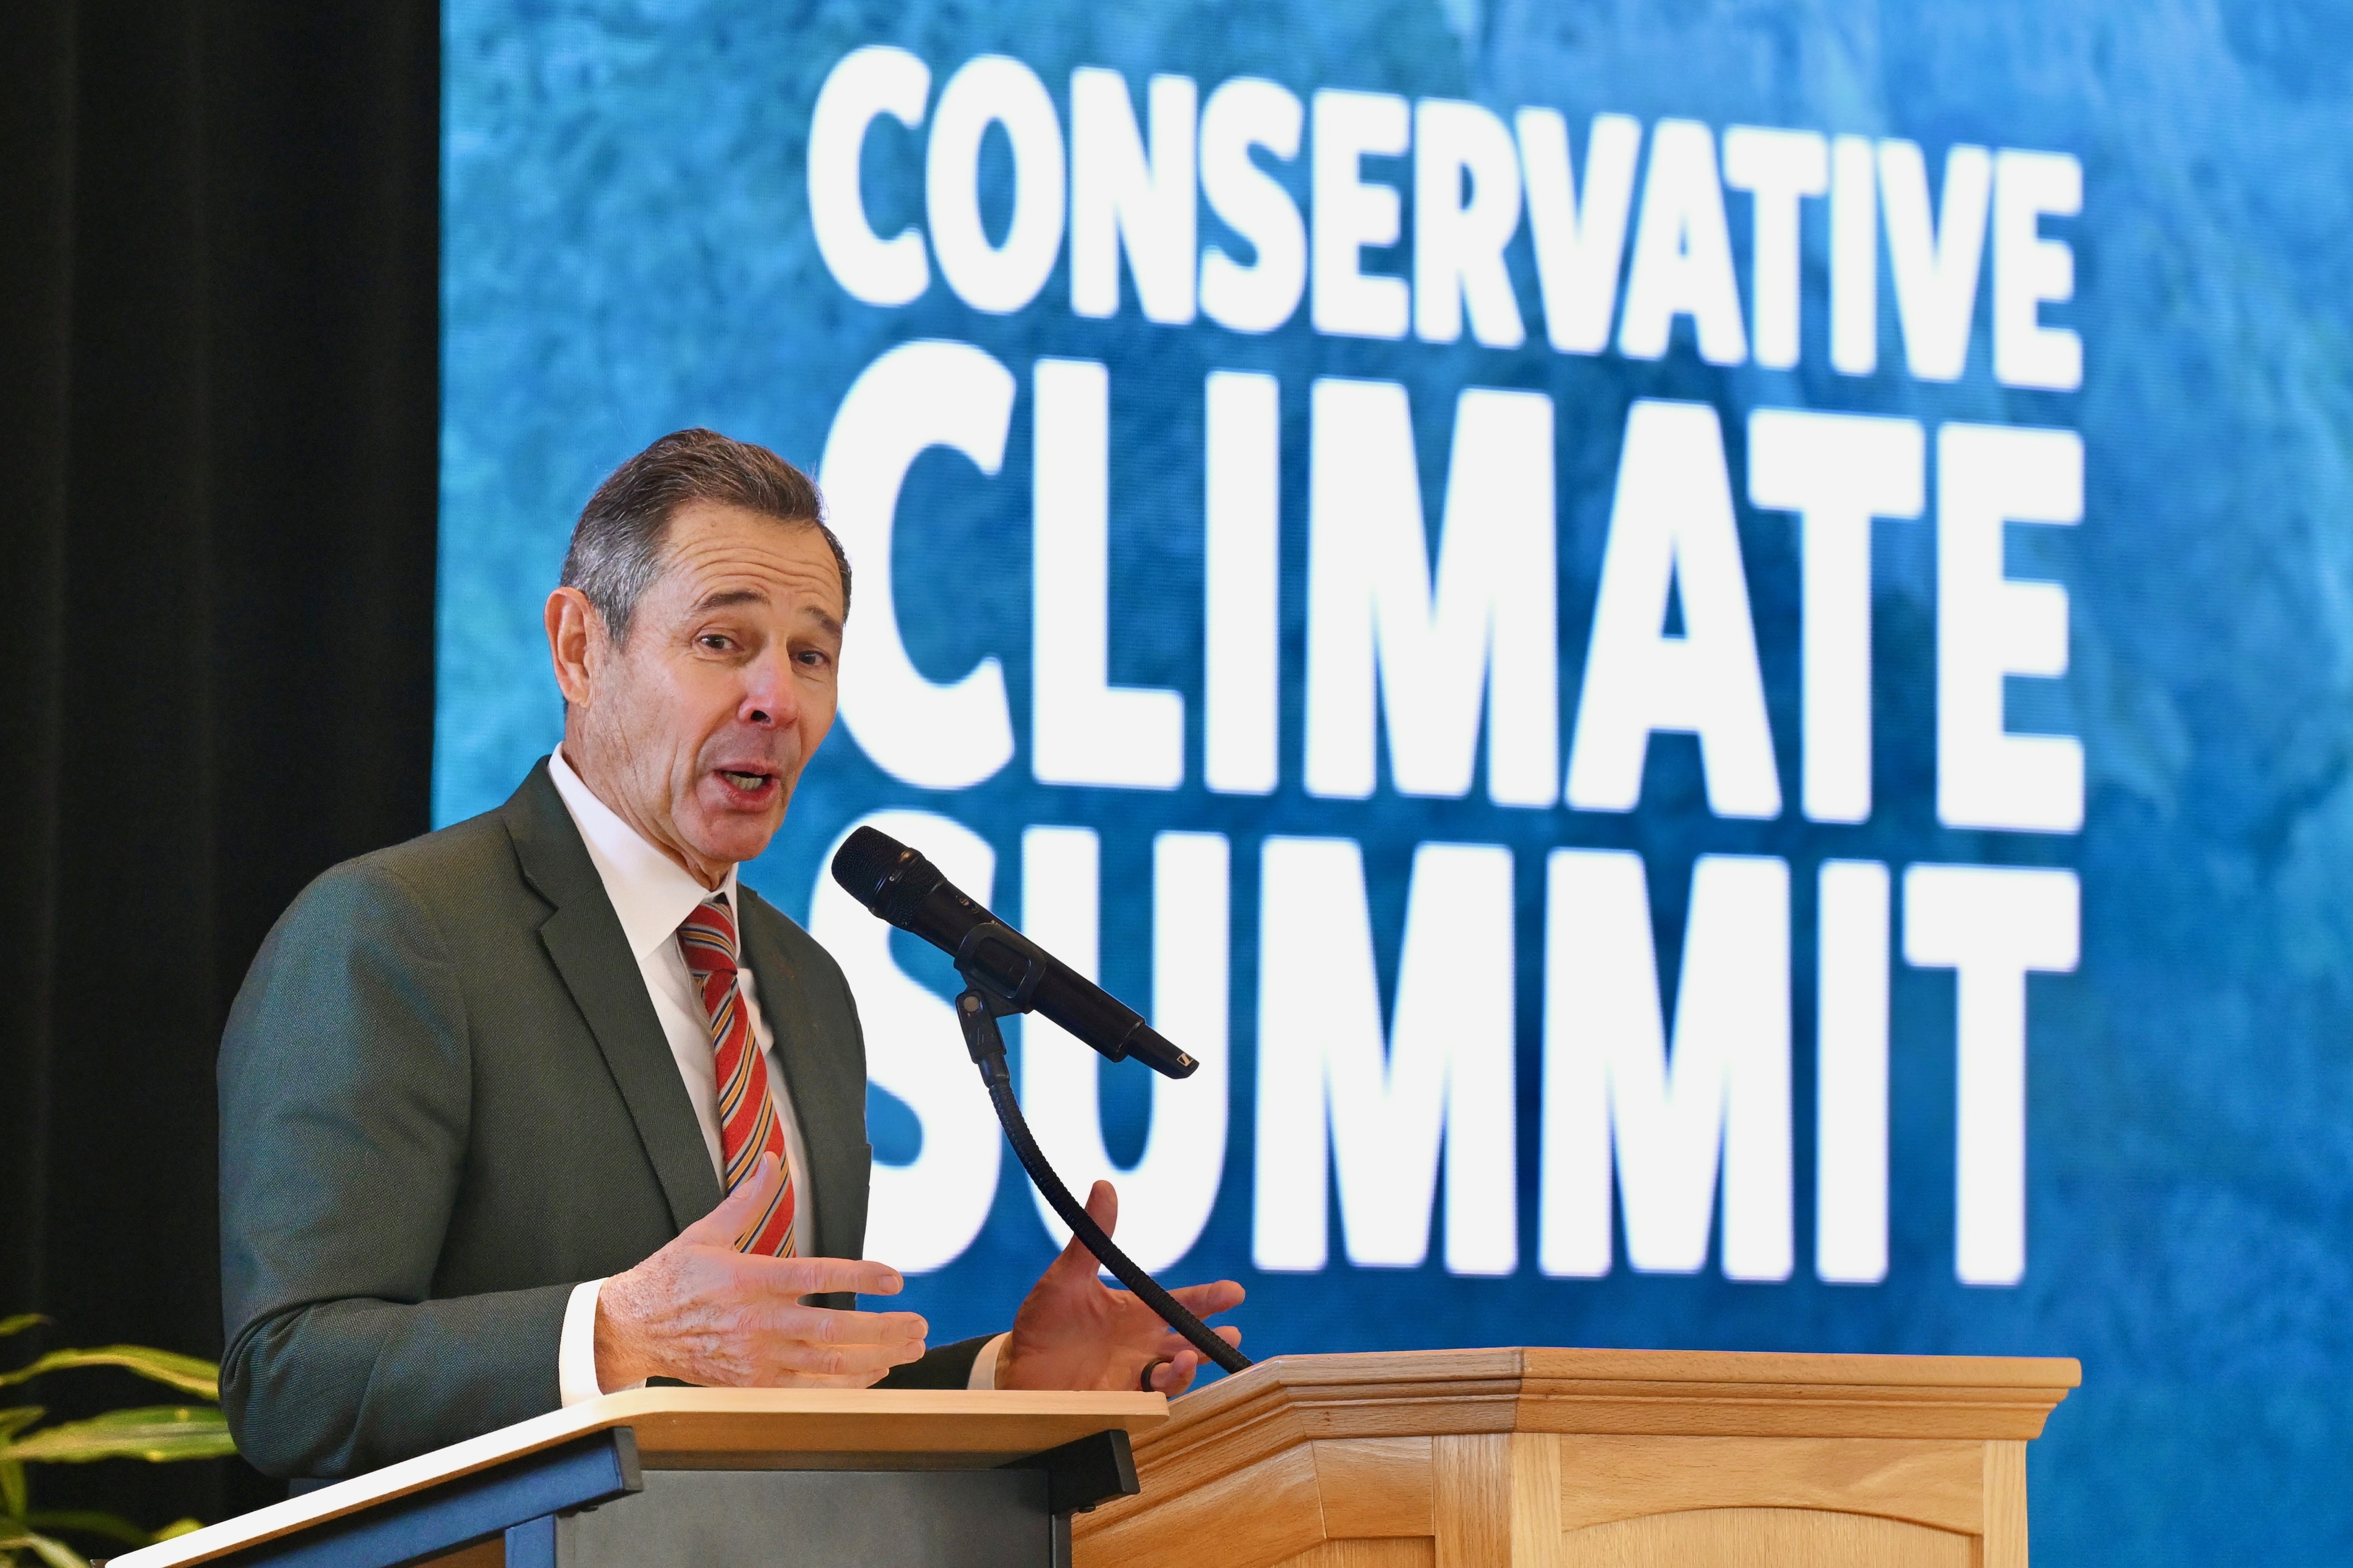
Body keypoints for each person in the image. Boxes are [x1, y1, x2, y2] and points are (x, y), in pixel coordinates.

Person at [217, 430, 1243, 1480]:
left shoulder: (805, 984)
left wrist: (1007, 1383)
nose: (778, 702)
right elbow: (291, 1380)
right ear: (579, 649)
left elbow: (773, 1403)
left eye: (812, 655)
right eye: (721, 642)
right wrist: (611, 1337)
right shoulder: (396, 935)